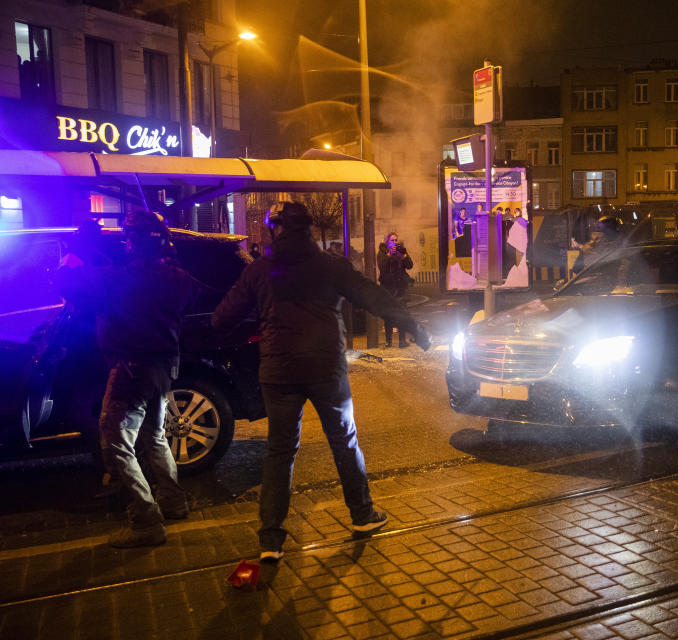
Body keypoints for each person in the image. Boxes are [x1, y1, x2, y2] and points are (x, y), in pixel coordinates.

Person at [212, 202, 430, 561]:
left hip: (278, 372)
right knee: (344, 441)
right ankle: (362, 515)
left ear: (272, 230)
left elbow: (222, 318)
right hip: (325, 368)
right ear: (308, 229)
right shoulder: (332, 266)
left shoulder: (260, 271)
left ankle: (270, 539)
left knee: (280, 452)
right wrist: (416, 330)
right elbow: (375, 298)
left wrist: (262, 324)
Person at [57, 211, 199, 548]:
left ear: (133, 243)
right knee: (155, 436)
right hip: (164, 368)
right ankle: (174, 502)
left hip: (131, 370)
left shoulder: (120, 278)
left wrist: (79, 248)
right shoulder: (177, 277)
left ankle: (146, 520)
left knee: (116, 442)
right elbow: (187, 292)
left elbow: (67, 283)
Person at [377, 231, 414, 347]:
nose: (394, 243)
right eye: (392, 241)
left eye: (395, 240)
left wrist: (404, 254)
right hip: (388, 289)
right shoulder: (382, 253)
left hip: (400, 288)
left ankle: (402, 341)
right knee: (389, 315)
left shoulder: (400, 252)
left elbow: (409, 265)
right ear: (387, 242)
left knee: (402, 314)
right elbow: (382, 267)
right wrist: (389, 256)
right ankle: (389, 342)